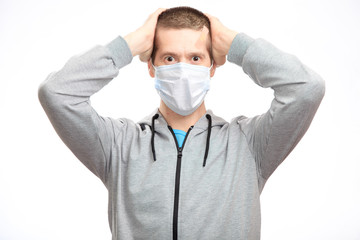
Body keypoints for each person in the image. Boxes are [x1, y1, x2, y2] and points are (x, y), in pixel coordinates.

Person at [38, 6, 325, 240]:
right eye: (170, 57)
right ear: (151, 66)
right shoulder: (118, 145)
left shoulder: (248, 145)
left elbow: (306, 88)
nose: (183, 69)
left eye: (196, 57)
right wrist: (130, 44)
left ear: (212, 67)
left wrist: (236, 44)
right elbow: (57, 93)